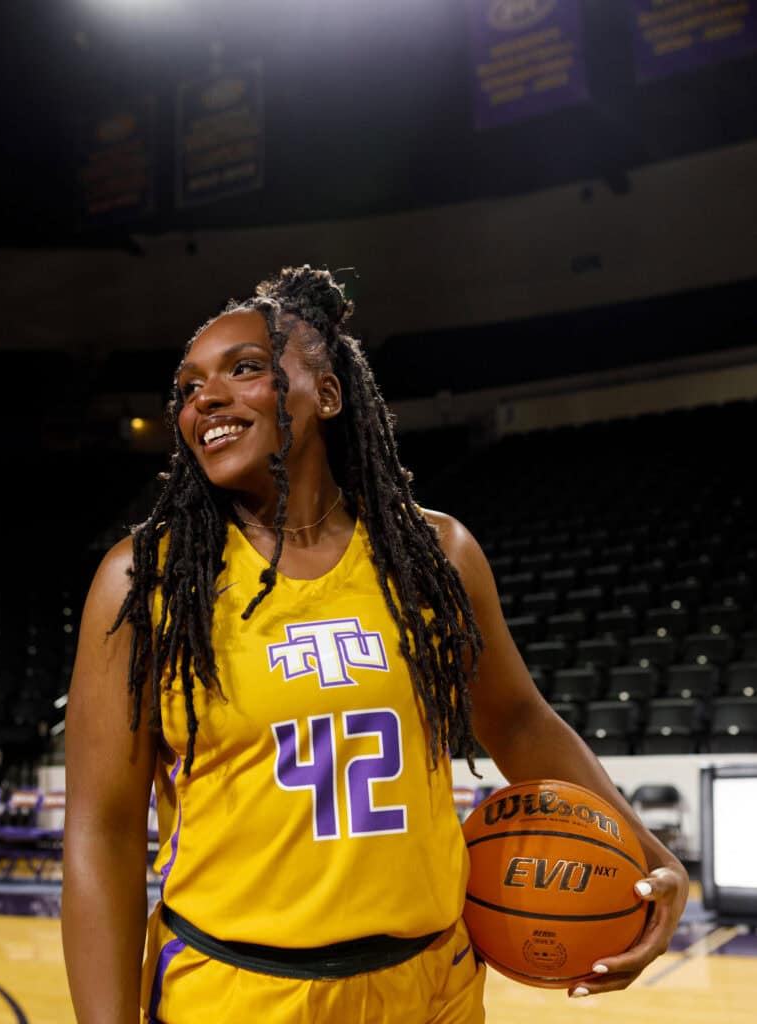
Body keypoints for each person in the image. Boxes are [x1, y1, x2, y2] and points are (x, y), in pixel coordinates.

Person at [61, 265, 688, 1024]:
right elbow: (104, 832)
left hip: (432, 987)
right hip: (234, 992)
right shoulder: (144, 582)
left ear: (326, 395)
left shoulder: (435, 555)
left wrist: (648, 858)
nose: (206, 399)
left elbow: (518, 723)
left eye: (245, 369)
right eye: (189, 388)